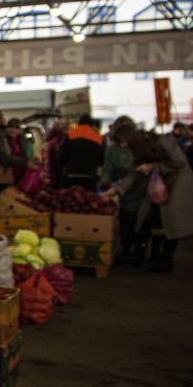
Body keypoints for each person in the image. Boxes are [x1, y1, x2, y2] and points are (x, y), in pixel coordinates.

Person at [105, 127, 193, 273]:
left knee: (172, 222)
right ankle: (154, 256)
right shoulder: (138, 150)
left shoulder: (164, 141)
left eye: (123, 142)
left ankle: (166, 260)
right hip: (159, 186)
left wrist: (153, 166)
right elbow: (133, 174)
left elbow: (180, 163)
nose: (123, 146)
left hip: (178, 184)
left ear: (131, 138)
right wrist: (114, 191)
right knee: (149, 219)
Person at [102, 118, 146, 266]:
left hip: (139, 189)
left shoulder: (140, 149)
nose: (122, 144)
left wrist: (115, 188)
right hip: (122, 188)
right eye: (119, 141)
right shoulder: (112, 149)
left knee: (138, 220)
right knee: (125, 219)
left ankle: (137, 251)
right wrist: (105, 182)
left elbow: (134, 175)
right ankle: (126, 249)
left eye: (124, 141)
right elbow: (108, 167)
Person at [62, 115, 105, 189]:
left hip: (72, 175)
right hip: (90, 177)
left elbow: (62, 155)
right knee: (87, 199)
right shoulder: (99, 138)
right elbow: (102, 159)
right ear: (92, 125)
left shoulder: (70, 134)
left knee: (71, 198)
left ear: (79, 124)